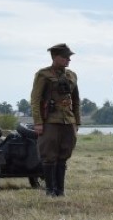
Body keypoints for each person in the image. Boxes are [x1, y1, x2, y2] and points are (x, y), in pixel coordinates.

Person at [30, 43, 80, 196]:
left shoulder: (71, 75)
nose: (68, 60)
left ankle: (60, 191)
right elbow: (35, 99)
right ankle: (50, 190)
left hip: (67, 121)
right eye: (65, 57)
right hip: (50, 121)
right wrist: (38, 122)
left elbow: (76, 100)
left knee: (63, 156)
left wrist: (76, 121)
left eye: (69, 57)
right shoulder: (43, 74)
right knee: (49, 156)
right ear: (55, 57)